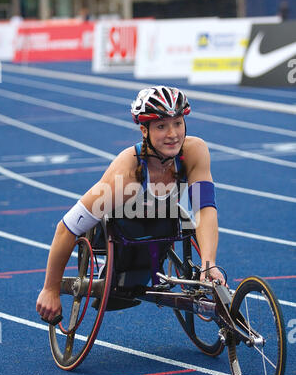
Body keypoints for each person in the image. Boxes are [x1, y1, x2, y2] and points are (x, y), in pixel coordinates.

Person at [36, 86, 225, 323]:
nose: (173, 134)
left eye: (177, 123)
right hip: (121, 227)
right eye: (161, 126)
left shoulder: (195, 151)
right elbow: (67, 228)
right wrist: (50, 289)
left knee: (178, 222)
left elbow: (205, 209)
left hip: (164, 221)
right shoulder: (126, 172)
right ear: (144, 130)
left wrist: (208, 265)